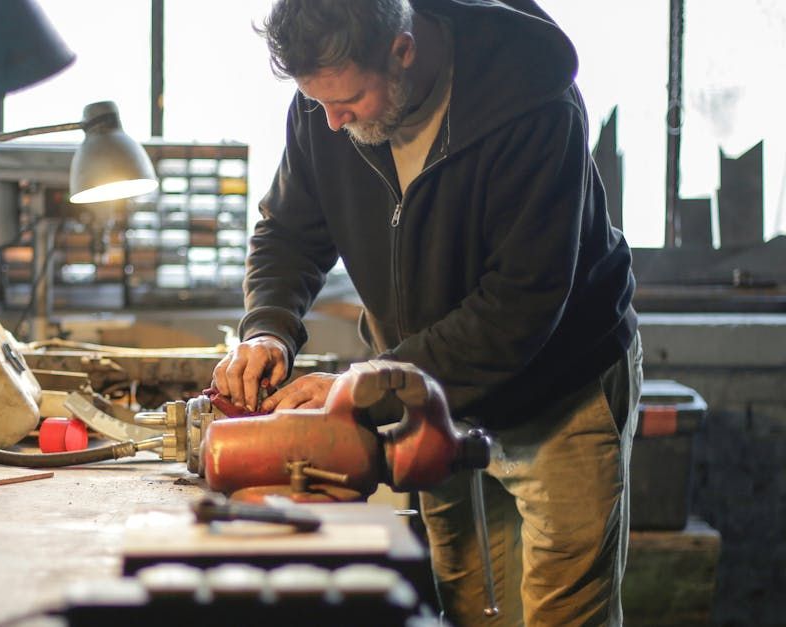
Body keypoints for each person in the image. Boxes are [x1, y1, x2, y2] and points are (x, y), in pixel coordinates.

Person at [211, 0, 643, 624]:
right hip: (431, 395)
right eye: (317, 103)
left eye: (347, 100)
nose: (330, 123)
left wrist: (369, 385)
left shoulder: (532, 103)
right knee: (471, 609)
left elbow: (518, 307)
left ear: (403, 50)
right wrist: (268, 329)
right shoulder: (325, 108)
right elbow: (288, 234)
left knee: (563, 614)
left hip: (560, 391)